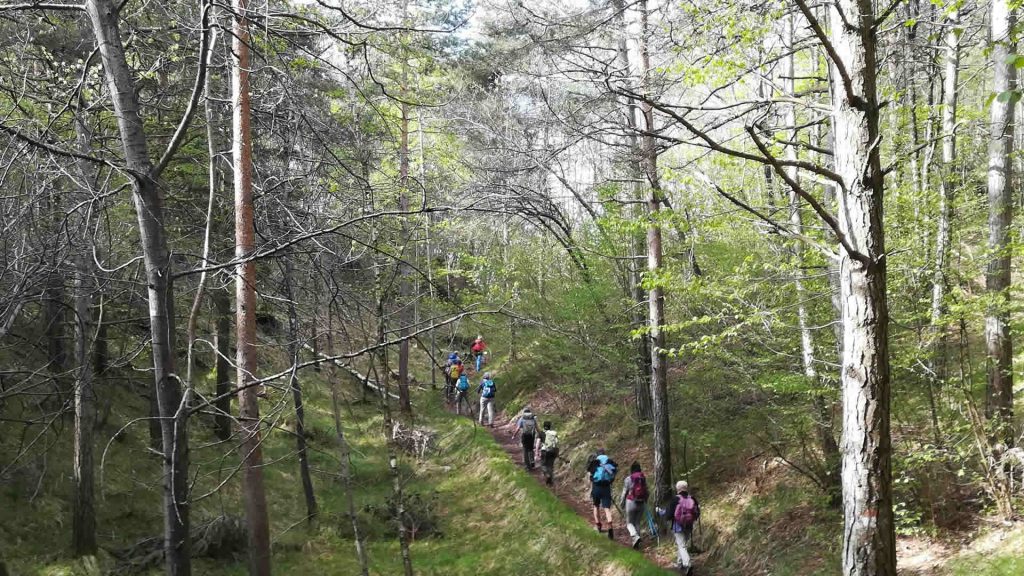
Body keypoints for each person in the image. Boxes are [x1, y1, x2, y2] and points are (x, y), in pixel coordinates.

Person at [656, 480, 700, 575]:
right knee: (683, 545)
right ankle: (680, 564)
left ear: (678, 489)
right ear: (686, 488)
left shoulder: (675, 499)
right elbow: (697, 513)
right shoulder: (692, 498)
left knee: (682, 545)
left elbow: (668, 514)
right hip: (689, 525)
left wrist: (659, 511)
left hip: (678, 526)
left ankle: (687, 564)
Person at [586, 449, 617, 539]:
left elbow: (590, 475)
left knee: (596, 506)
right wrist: (610, 481)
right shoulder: (609, 461)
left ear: (597, 455)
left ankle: (598, 525)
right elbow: (614, 472)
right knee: (607, 508)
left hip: (596, 487)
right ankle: (610, 526)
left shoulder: (594, 462)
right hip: (606, 487)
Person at [619, 461, 649, 549]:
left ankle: (635, 537)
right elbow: (647, 491)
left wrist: (622, 503)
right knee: (637, 523)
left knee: (629, 523)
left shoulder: (628, 479)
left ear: (631, 470)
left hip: (631, 502)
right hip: (641, 502)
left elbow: (624, 492)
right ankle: (637, 544)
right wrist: (645, 500)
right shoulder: (643, 478)